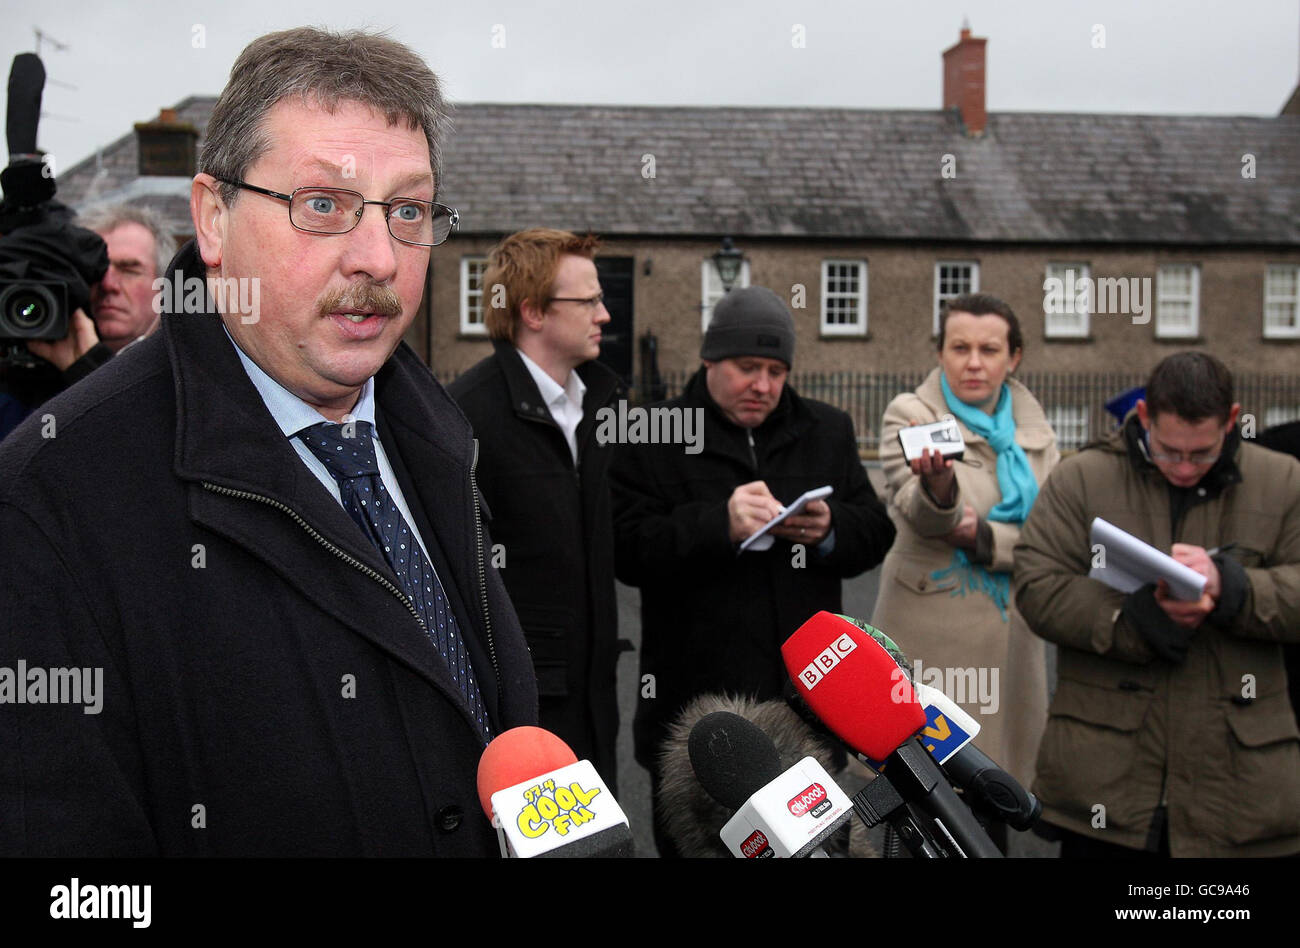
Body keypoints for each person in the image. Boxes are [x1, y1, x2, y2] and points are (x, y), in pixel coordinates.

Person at [0, 27, 537, 857]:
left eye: (408, 210)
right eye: (323, 205)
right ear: (213, 219)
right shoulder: (52, 495)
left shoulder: (441, 441)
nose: (377, 257)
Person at [609, 284, 895, 856]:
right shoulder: (653, 436)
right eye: (745, 368)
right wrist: (720, 524)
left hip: (805, 707)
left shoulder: (828, 430)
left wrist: (831, 528)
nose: (762, 386)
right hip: (696, 712)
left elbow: (876, 533)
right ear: (709, 360)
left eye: (775, 370)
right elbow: (626, 548)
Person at [1014, 351, 1300, 857]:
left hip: (1239, 791)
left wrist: (1233, 589)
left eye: (1203, 453)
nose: (1185, 468)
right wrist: (1132, 617)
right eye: (1169, 451)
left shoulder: (1284, 482)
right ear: (1143, 416)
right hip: (1105, 785)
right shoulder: (1081, 478)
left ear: (1232, 421)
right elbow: (1037, 585)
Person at [870, 293, 1058, 832]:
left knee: (992, 803)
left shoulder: (1037, 433)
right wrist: (940, 484)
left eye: (989, 349)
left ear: (1014, 357)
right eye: (960, 347)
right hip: (931, 636)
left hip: (1010, 640)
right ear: (940, 352)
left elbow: (1051, 539)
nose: (974, 362)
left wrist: (984, 535)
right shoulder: (912, 413)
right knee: (919, 803)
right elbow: (924, 518)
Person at [448, 228, 622, 788]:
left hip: (599, 692)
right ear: (533, 311)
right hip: (526, 707)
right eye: (589, 300)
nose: (605, 314)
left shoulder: (605, 400)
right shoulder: (468, 415)